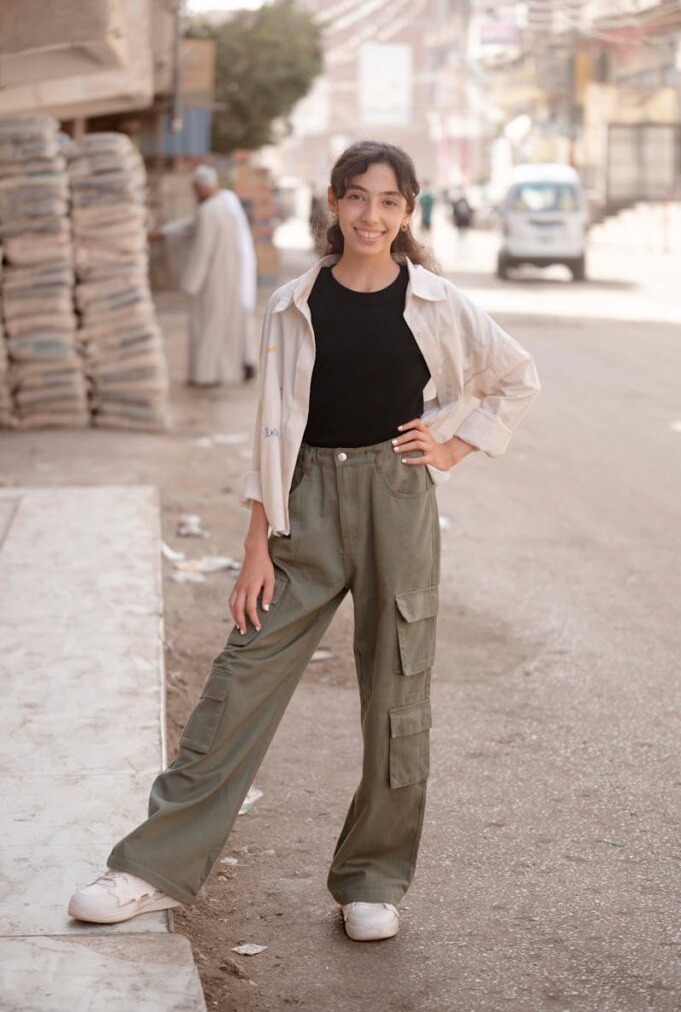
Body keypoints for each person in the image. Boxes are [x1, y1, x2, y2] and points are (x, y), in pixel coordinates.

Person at [68, 140, 540, 943]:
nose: (370, 215)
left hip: (396, 500)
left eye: (387, 201)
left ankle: (371, 880)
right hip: (304, 503)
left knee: (396, 695)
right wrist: (256, 543)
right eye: (356, 197)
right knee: (239, 680)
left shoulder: (436, 302)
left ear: (407, 211)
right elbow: (271, 432)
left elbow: (515, 376)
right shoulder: (294, 303)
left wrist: (454, 447)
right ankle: (151, 869)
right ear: (332, 202)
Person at [150, 164, 257, 385]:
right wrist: (163, 233)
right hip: (229, 279)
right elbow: (189, 226)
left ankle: (204, 376)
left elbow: (203, 250)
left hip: (211, 282)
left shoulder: (208, 211)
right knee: (220, 328)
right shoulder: (224, 208)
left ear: (200, 187)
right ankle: (219, 373)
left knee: (206, 328)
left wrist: (190, 283)